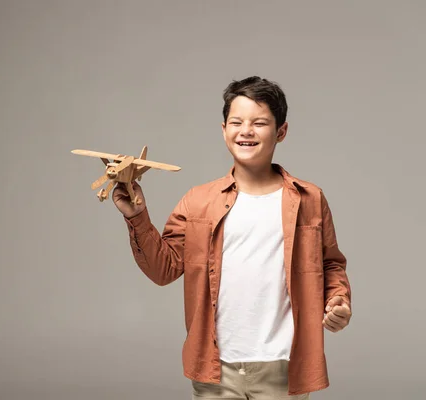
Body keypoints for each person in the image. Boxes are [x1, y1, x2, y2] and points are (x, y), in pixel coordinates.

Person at [111, 76, 352, 399]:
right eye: (236, 122)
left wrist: (338, 301)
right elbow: (163, 270)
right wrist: (136, 216)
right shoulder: (197, 201)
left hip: (284, 366)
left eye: (260, 122)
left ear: (281, 131)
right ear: (224, 129)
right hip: (215, 367)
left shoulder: (309, 199)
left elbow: (330, 264)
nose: (246, 131)